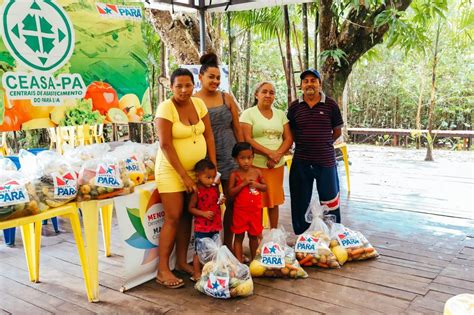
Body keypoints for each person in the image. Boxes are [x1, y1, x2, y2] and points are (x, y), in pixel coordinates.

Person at [154, 68, 216, 289]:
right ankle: (162, 269)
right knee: (173, 216)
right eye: (178, 86)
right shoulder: (165, 108)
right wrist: (183, 176)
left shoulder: (199, 104)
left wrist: (213, 168)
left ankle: (181, 261)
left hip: (196, 172)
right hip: (171, 171)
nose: (183, 90)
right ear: (171, 87)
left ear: (194, 86)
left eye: (187, 85)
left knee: (186, 217)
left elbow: (208, 135)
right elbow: (165, 144)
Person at [194, 52, 243, 250]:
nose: (215, 81)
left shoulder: (226, 98)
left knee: (232, 202)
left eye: (217, 78)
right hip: (207, 159)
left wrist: (242, 155)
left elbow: (237, 127)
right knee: (209, 204)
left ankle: (229, 247)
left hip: (230, 156)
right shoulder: (194, 100)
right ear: (201, 77)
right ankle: (209, 248)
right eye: (210, 77)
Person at [287, 69, 344, 235]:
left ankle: (332, 234)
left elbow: (337, 131)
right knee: (299, 200)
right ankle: (302, 235)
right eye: (306, 81)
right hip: (301, 160)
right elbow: (290, 130)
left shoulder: (331, 104)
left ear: (320, 84)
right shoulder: (295, 106)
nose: (309, 84)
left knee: (330, 200)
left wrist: (324, 144)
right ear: (301, 86)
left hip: (325, 160)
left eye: (313, 80)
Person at [240, 82, 293, 229]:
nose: (268, 95)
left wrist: (277, 156)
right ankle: (256, 235)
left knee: (273, 200)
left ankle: (274, 233)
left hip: (277, 165)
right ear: (256, 94)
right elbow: (247, 139)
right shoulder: (248, 114)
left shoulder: (280, 114)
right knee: (256, 201)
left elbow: (288, 138)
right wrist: (270, 154)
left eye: (271, 92)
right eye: (264, 92)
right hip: (256, 165)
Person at [228, 142, 267, 262]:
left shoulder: (257, 173)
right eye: (242, 158)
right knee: (239, 236)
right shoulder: (234, 175)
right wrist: (243, 184)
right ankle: (238, 261)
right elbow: (230, 192)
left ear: (253, 157)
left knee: (253, 236)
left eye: (249, 158)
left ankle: (254, 260)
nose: (246, 161)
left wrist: (256, 184)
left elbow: (265, 187)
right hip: (240, 211)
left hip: (255, 211)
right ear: (235, 159)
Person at [188, 159, 225, 281]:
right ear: (198, 176)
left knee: (214, 249)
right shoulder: (196, 191)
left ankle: (212, 270)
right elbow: (191, 208)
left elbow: (216, 201)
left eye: (213, 177)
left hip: (214, 224)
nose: (211, 180)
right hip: (202, 226)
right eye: (208, 177)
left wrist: (220, 201)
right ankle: (197, 273)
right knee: (199, 251)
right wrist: (203, 213)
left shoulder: (214, 187)